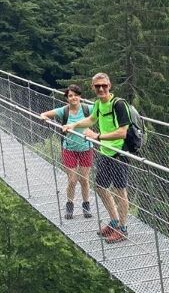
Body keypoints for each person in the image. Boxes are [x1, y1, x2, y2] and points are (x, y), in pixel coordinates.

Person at [62, 73, 130, 242]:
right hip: (106, 152)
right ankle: (114, 222)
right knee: (100, 187)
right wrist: (74, 124)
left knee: (120, 192)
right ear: (93, 87)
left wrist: (97, 137)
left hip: (119, 153)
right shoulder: (99, 104)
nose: (101, 89)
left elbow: (123, 132)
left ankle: (122, 229)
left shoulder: (119, 105)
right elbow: (91, 119)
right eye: (97, 86)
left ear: (110, 85)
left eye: (104, 85)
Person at [40, 84, 93, 220]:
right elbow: (44, 114)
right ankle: (70, 204)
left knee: (84, 179)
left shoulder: (88, 109)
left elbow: (104, 112)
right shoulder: (64, 111)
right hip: (69, 149)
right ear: (67, 98)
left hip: (85, 148)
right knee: (72, 180)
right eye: (70, 96)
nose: (73, 97)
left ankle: (86, 205)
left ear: (80, 96)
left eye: (76, 95)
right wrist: (46, 119)